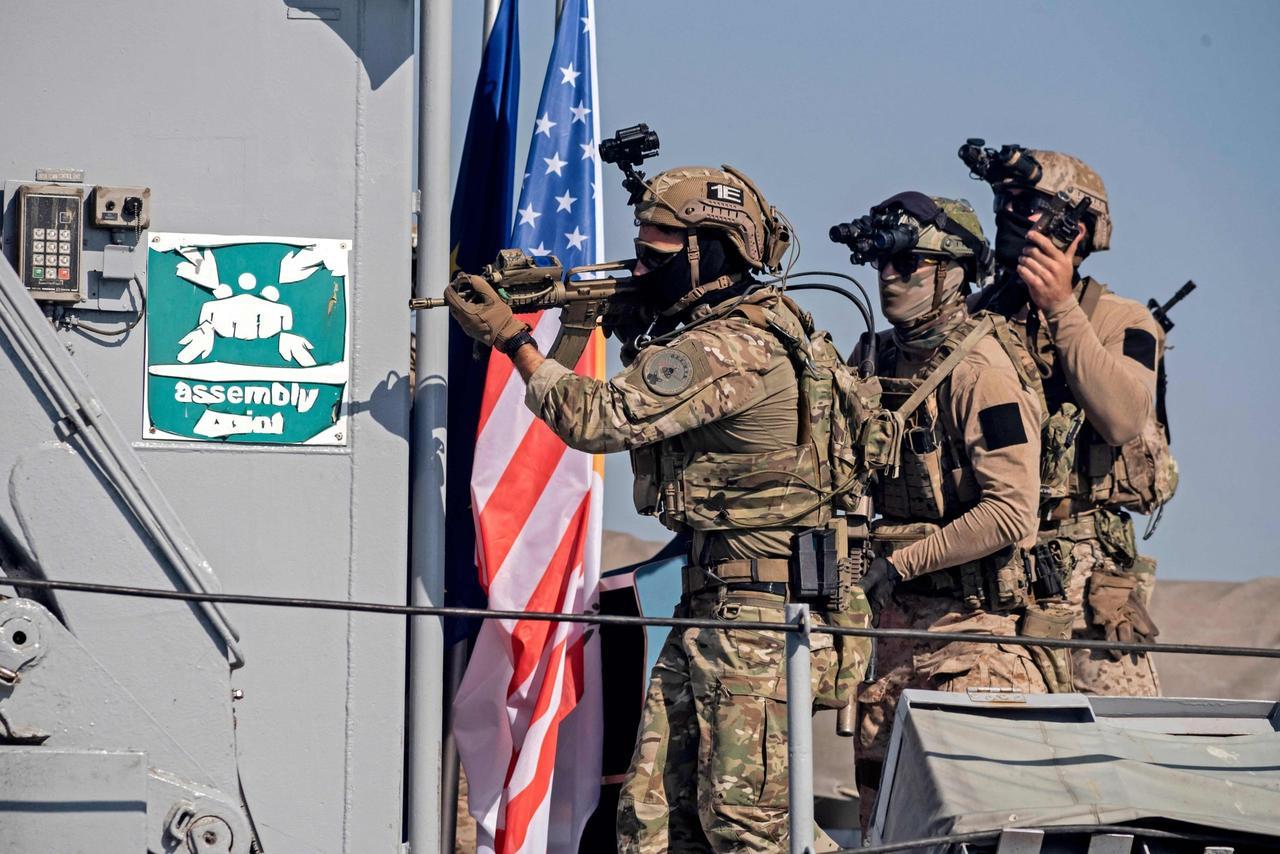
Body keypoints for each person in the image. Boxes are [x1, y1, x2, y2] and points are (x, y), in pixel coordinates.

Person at [445, 164, 871, 852]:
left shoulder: (728, 344)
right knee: (655, 822)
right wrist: (584, 318)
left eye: (662, 244)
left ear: (715, 249)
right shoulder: (733, 329)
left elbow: (600, 419)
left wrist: (514, 339)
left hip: (757, 618)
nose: (644, 258)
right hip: (718, 605)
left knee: (750, 828)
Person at [844, 193, 1052, 823]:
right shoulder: (871, 359)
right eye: (881, 261)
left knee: (976, 830)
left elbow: (1011, 511)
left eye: (908, 262)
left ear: (953, 272)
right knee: (888, 829)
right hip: (890, 646)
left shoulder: (983, 370)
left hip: (972, 644)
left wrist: (900, 564)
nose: (888, 276)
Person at [971, 146, 1163, 697]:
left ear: (1074, 228)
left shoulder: (1122, 320)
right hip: (996, 569)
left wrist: (1060, 309)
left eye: (1027, 205)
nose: (1009, 216)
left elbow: (1124, 418)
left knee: (1116, 749)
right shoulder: (977, 319)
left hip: (1086, 580)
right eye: (1003, 202)